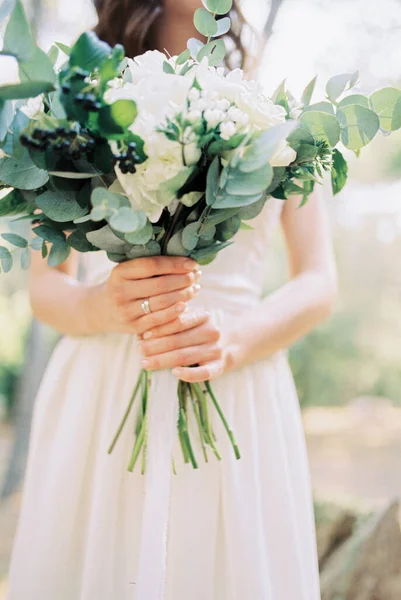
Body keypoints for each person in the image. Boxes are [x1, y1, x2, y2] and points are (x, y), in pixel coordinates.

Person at [6, 1, 337, 598]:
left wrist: (234, 341)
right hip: (104, 383)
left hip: (237, 380)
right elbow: (47, 289)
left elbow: (319, 281)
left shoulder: (279, 97)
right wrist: (104, 306)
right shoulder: (72, 99)